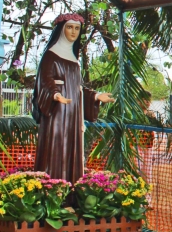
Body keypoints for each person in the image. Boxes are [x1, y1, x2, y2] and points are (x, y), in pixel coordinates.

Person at [32, 13, 114, 184]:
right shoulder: (51, 55)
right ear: (61, 29)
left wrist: (97, 96)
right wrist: (55, 94)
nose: (73, 31)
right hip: (57, 113)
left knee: (71, 150)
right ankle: (52, 193)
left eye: (77, 28)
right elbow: (45, 80)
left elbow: (78, 87)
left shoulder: (74, 59)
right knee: (55, 150)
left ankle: (70, 193)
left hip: (73, 114)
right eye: (70, 27)